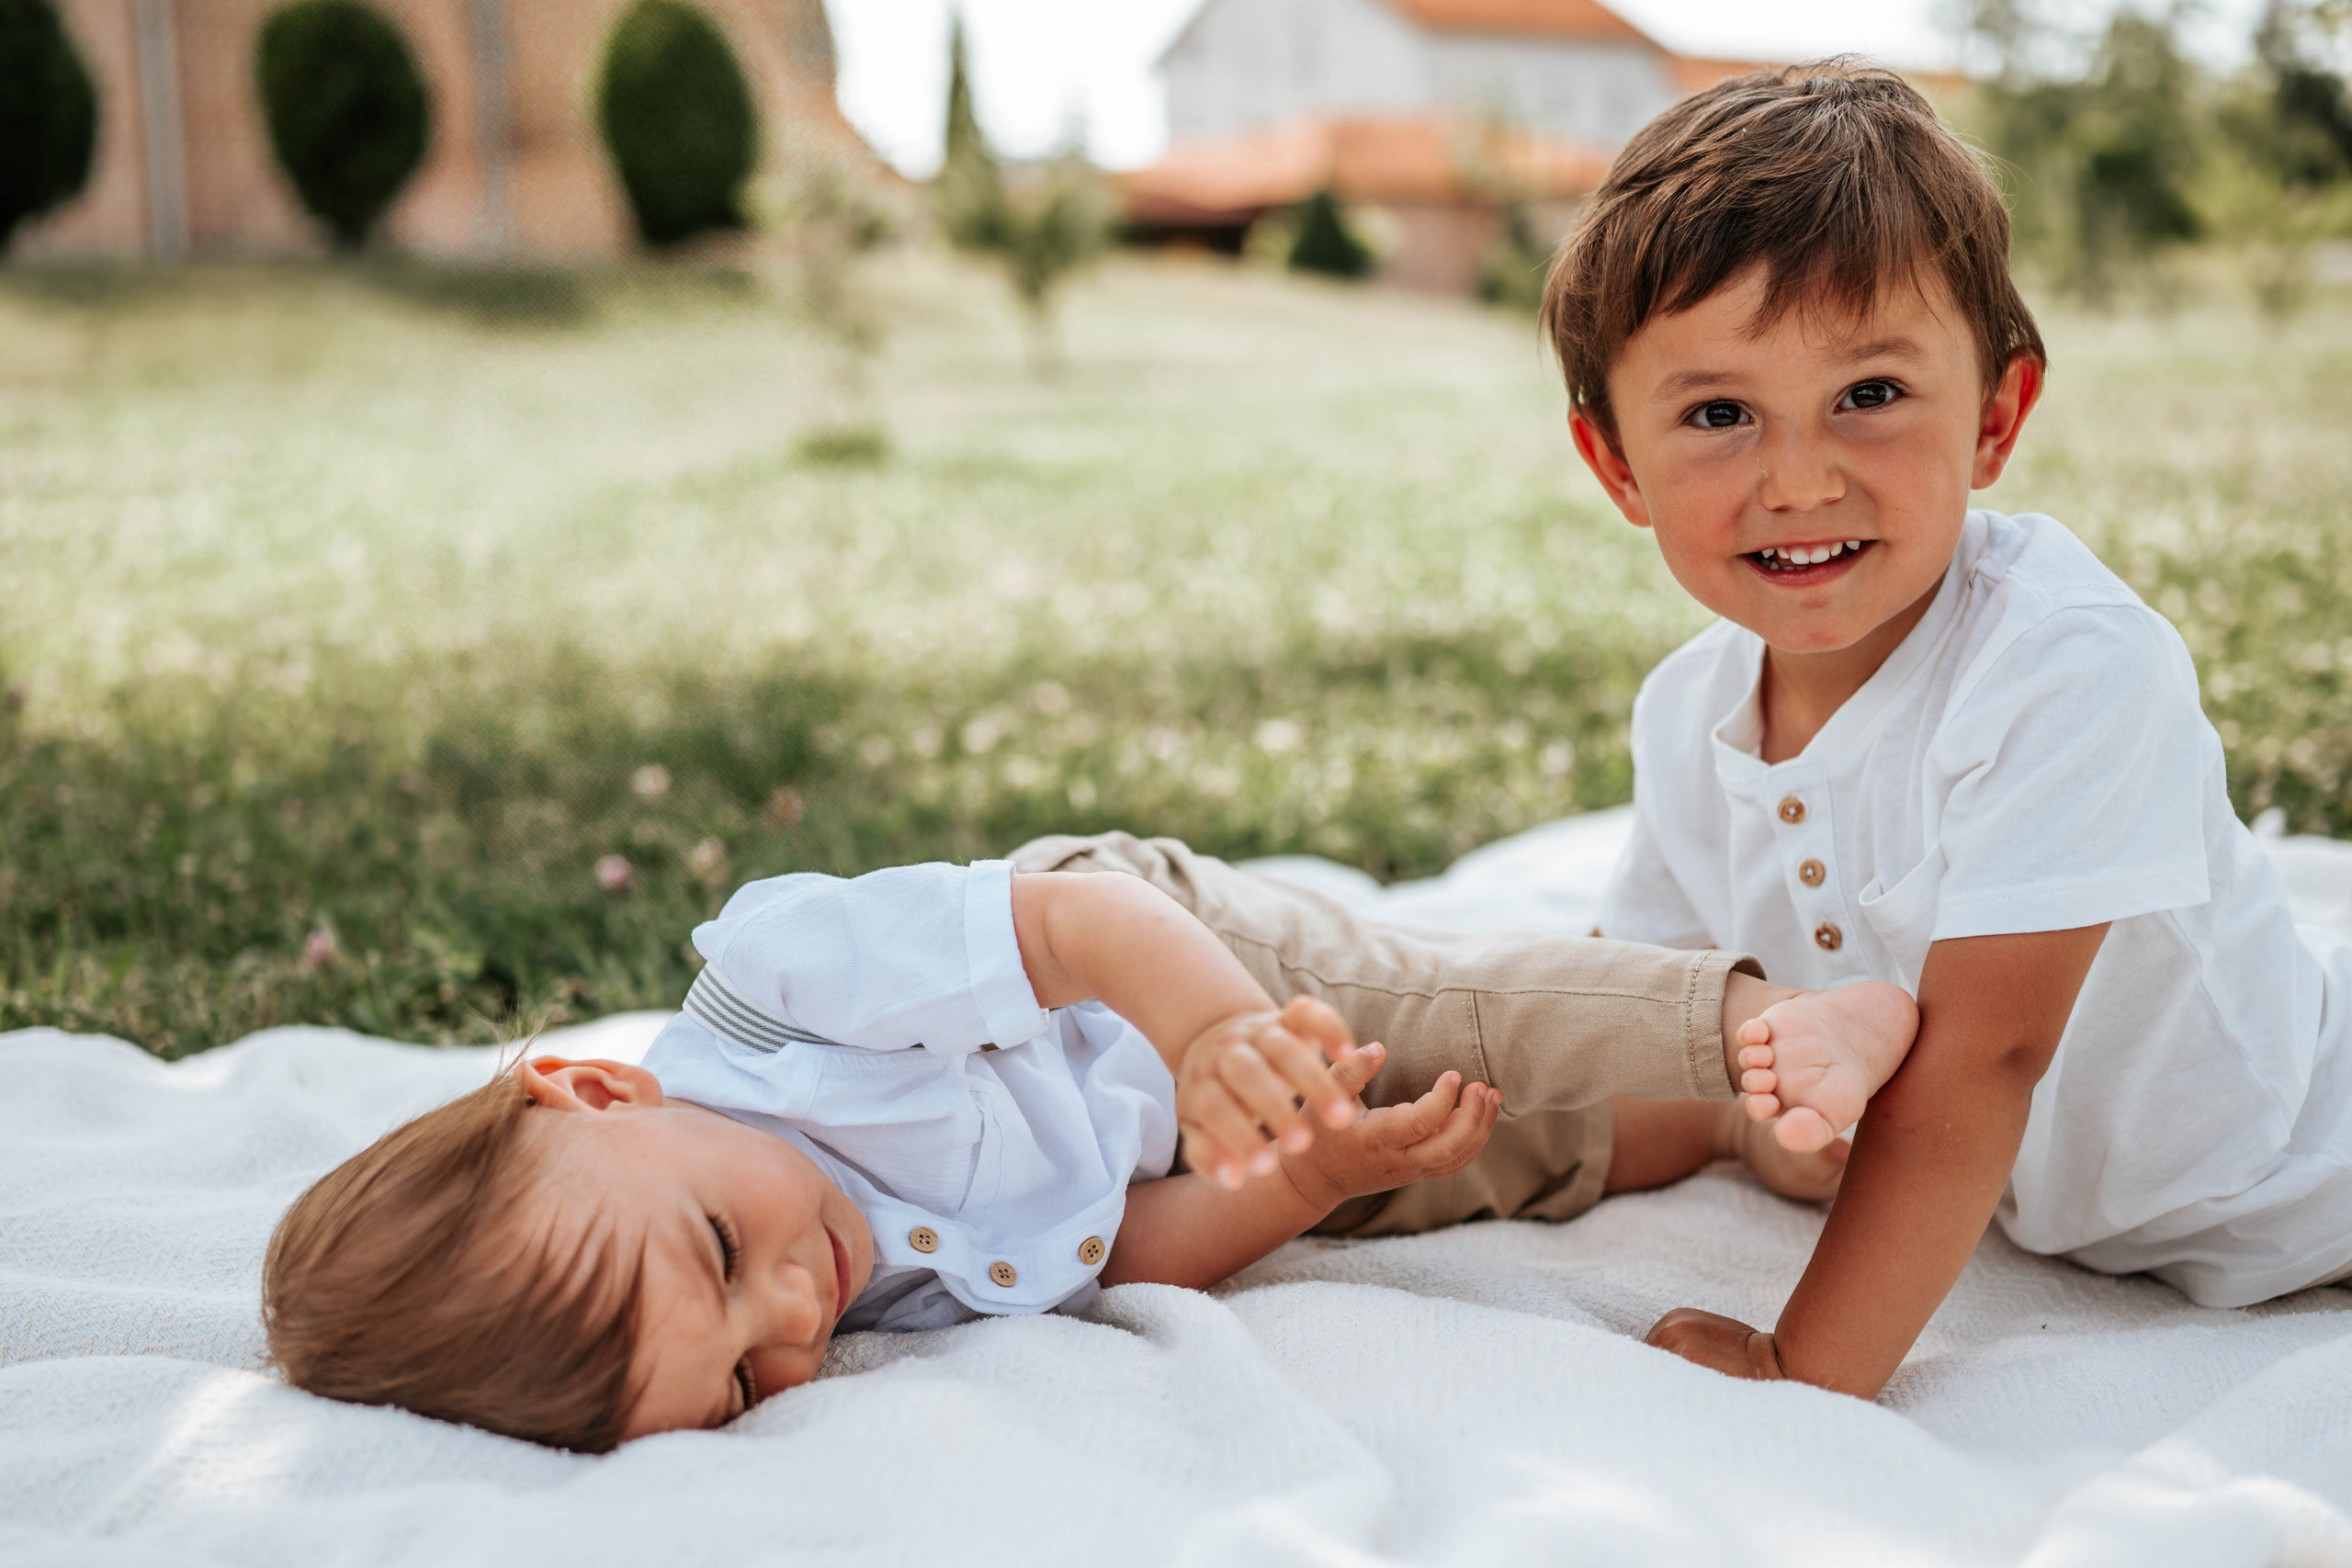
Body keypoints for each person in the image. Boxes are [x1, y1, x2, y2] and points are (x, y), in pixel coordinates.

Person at [1545, 61, 2352, 1398]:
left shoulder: (2060, 664)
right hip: (2118, 1231)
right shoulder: (1687, 713)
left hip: (2315, 1171)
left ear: (1995, 416)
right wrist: (1439, 1129)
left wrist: (1804, 1371)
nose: (1799, 478)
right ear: (1617, 465)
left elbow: (1987, 1059)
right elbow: (1656, 1044)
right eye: (1718, 414)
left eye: (1868, 394)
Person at [263, 833, 1916, 1449]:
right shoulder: (853, 1292)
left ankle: (1773, 1013)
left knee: (1439, 1009)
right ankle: (1729, 1116)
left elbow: (1071, 922)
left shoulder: (778, 996)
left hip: (1172, 969)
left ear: (602, 1092)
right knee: (1491, 1152)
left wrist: (1214, 1039)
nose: (791, 1315)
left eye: (714, 1254)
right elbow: (1116, 1249)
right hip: (1188, 1143)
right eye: (747, 1386)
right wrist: (1308, 1185)